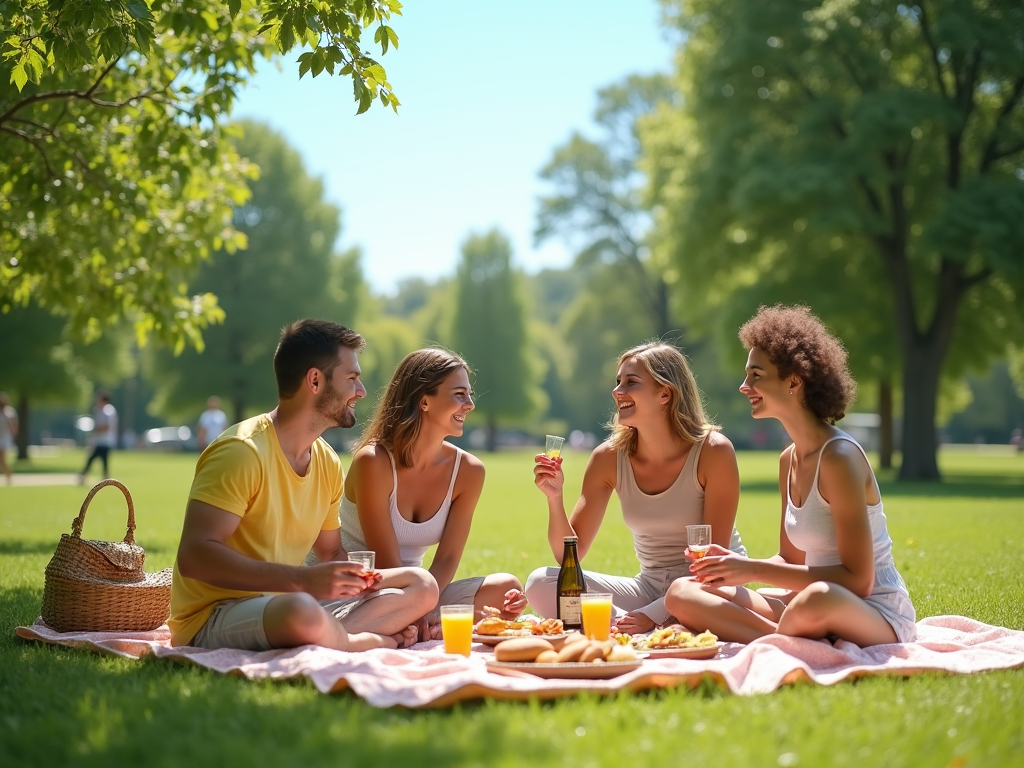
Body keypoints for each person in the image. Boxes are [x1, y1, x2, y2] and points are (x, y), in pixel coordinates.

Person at [169, 320, 438, 651]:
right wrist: (302, 581)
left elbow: (329, 552)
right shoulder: (242, 452)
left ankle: (334, 636)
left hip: (288, 602)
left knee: (422, 584)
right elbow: (195, 557)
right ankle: (364, 641)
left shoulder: (326, 462)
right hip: (215, 615)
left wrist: (364, 585)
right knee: (300, 610)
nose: (362, 390)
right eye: (352, 378)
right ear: (315, 380)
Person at [665, 305, 916, 646]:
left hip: (874, 611)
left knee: (813, 600)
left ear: (794, 382)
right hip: (808, 605)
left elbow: (859, 582)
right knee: (682, 592)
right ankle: (788, 638)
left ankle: (776, 638)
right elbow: (790, 560)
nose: (744, 385)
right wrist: (733, 565)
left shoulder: (839, 458)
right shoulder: (789, 460)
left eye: (756, 374)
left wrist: (753, 571)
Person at [526, 341, 746, 633]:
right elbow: (569, 557)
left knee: (686, 600)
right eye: (618, 382)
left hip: (711, 587)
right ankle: (628, 624)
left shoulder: (714, 452)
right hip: (650, 587)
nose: (617, 391)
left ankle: (631, 624)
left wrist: (650, 615)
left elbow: (714, 565)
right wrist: (555, 498)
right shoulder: (608, 457)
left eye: (631, 382)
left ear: (665, 394)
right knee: (541, 583)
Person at [340, 348, 526, 640]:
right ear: (424, 401)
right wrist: (420, 605)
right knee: (418, 597)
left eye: (470, 394)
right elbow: (386, 562)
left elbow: (447, 559)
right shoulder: (373, 461)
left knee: (505, 588)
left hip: (420, 591)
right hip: (357, 590)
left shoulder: (468, 471)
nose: (470, 405)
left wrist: (424, 607)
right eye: (459, 394)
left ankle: (412, 627)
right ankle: (404, 627)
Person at [79, 390, 117, 483]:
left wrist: (96, 429)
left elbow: (107, 427)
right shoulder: (97, 410)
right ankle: (104, 478)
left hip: (106, 441)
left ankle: (85, 475)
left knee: (98, 460)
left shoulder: (108, 411)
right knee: (98, 460)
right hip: (98, 441)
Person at [0, 392, 17, 484]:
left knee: (1, 458)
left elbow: (13, 425)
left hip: (4, 438)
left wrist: (13, 434)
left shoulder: (8, 412)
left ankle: (8, 476)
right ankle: (7, 474)